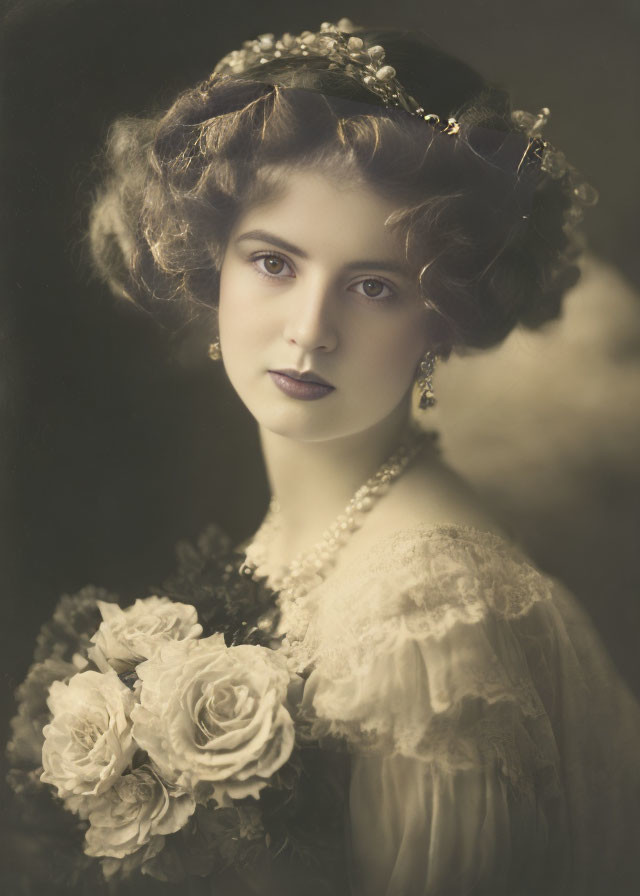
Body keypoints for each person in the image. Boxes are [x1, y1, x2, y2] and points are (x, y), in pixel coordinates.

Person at [88, 17, 640, 895]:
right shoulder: (315, 532)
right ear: (209, 264)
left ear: (439, 319)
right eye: (273, 263)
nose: (310, 331)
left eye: (375, 285)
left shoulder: (427, 613)